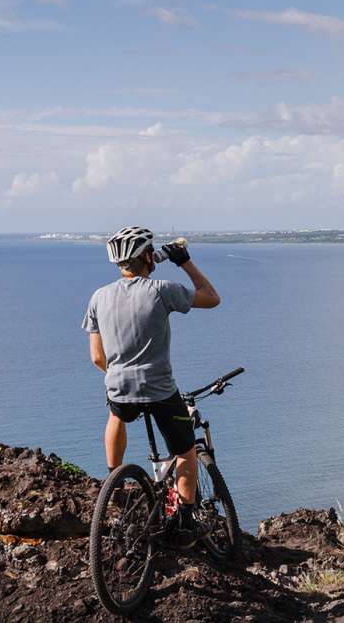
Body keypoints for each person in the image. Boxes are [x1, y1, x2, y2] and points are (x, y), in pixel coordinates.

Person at [83, 226, 221, 546]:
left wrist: (119, 373)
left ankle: (113, 479)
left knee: (116, 416)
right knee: (185, 450)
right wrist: (184, 261)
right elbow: (212, 298)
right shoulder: (161, 289)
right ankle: (185, 520)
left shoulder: (99, 297)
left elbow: (96, 357)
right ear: (148, 256)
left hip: (118, 385)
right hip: (159, 388)